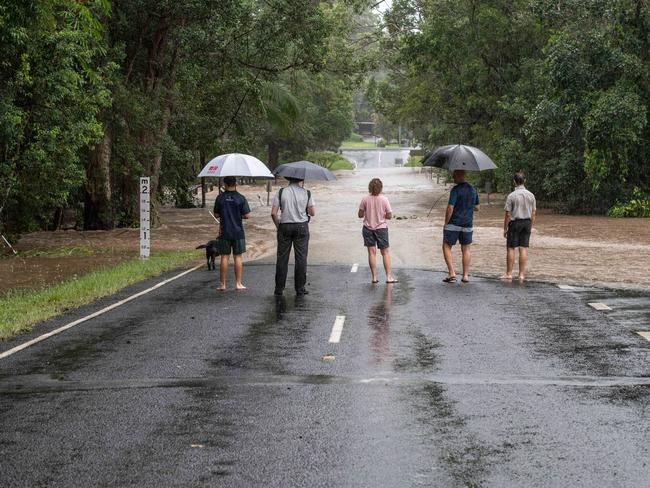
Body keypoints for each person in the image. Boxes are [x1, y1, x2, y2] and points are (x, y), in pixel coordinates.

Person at [271, 177, 315, 296]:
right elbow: (312, 213)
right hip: (301, 227)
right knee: (301, 258)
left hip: (284, 226)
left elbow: (273, 213)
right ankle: (300, 288)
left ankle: (279, 289)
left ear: (288, 179)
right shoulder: (307, 193)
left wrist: (278, 226)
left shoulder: (281, 192)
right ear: (300, 179)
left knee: (282, 258)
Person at [213, 176, 251, 290]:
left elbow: (216, 214)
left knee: (224, 257)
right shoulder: (241, 198)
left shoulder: (220, 198)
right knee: (237, 257)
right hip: (238, 232)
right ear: (236, 184)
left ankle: (222, 284)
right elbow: (247, 215)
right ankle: (238, 283)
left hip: (224, 232)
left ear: (225, 184)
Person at [442, 170, 480, 283]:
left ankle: (451, 272)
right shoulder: (473, 190)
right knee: (466, 248)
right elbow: (477, 207)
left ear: (460, 176)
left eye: (454, 176)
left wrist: (446, 222)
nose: (453, 178)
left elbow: (450, 208)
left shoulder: (455, 190)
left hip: (453, 223)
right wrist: (467, 206)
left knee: (446, 246)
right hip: (468, 223)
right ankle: (465, 276)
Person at [358, 178, 397, 284]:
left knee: (371, 252)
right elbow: (389, 216)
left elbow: (360, 215)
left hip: (368, 228)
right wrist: (382, 215)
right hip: (381, 228)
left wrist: (367, 212)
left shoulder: (365, 199)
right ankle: (389, 277)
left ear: (370, 187)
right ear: (381, 188)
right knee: (385, 252)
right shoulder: (384, 199)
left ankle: (374, 277)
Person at [502, 171, 536, 281]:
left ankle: (509, 273)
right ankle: (521, 275)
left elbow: (507, 214)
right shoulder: (531, 195)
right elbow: (534, 213)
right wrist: (531, 226)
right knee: (523, 248)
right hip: (527, 223)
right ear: (525, 181)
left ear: (514, 182)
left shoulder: (511, 196)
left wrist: (505, 228)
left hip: (515, 223)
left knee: (511, 248)